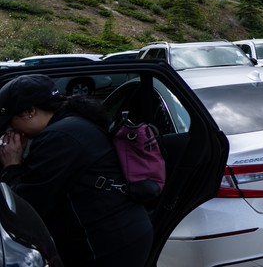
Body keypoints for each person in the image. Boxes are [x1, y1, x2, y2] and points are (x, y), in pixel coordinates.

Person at [0, 74, 153, 267]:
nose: (11, 130)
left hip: (108, 244)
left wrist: (12, 165)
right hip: (125, 233)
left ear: (30, 112)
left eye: (10, 122)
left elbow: (28, 205)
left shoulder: (60, 137)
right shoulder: (75, 121)